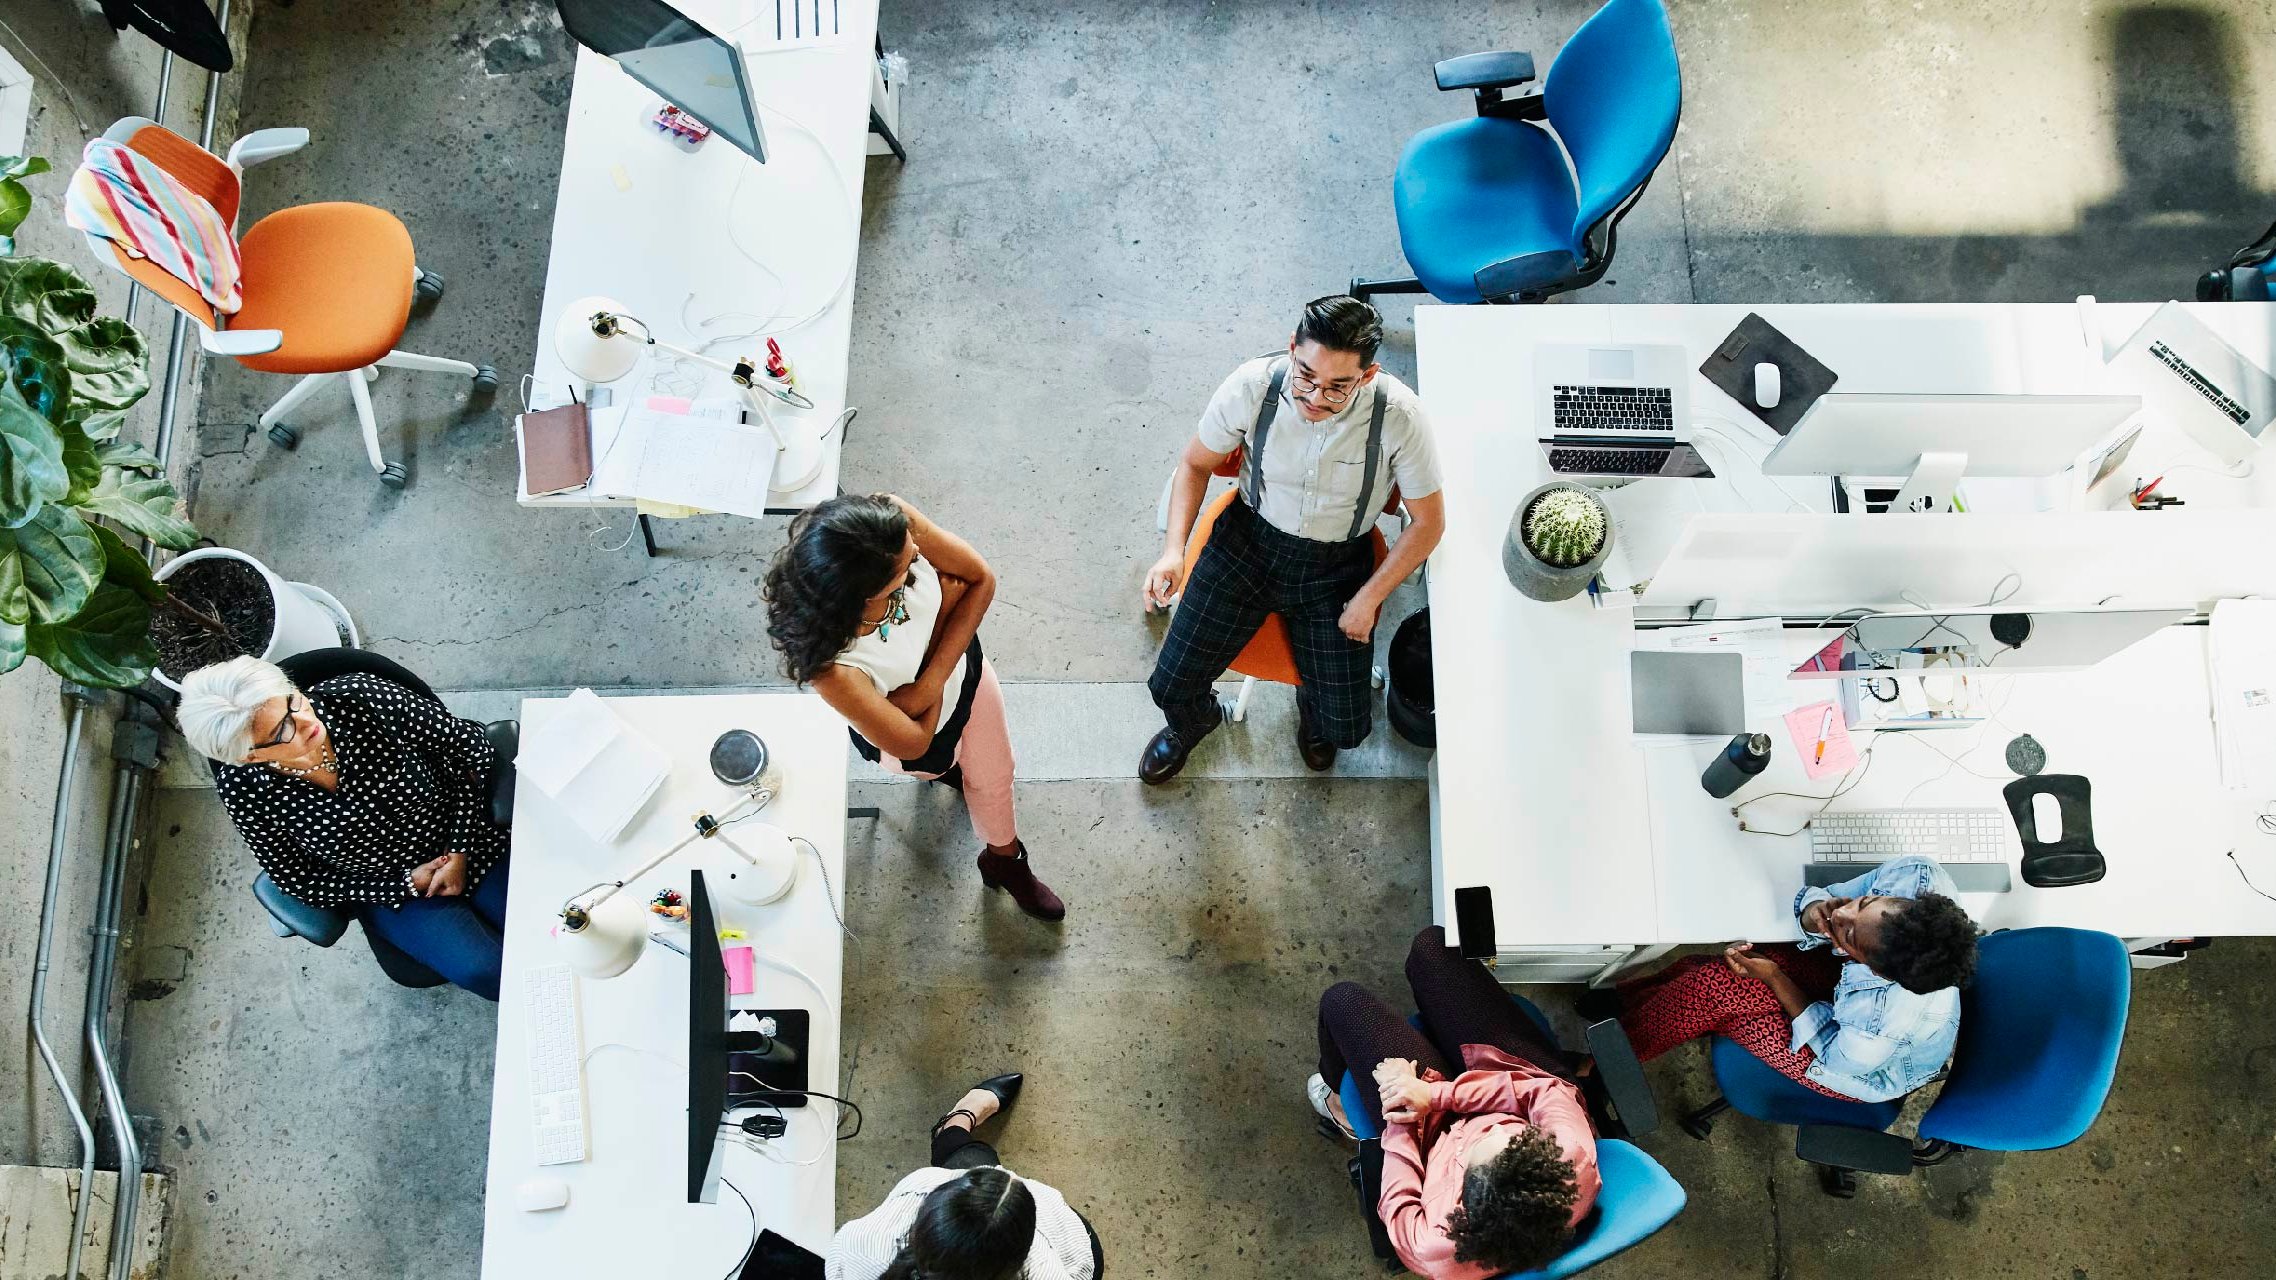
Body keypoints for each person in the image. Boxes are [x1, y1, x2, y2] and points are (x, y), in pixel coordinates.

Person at [1140, 295, 1445, 782]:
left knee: (1344, 728)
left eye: (1337, 387)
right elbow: (1195, 463)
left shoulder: (1400, 417)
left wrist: (1368, 598)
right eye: (1305, 375)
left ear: (1368, 376)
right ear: (1291, 350)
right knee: (1170, 684)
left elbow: (1429, 523)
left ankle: (1313, 705)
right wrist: (1173, 552)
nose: (1314, 398)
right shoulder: (1252, 386)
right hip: (1248, 542)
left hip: (1338, 564)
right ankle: (1195, 721)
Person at [763, 493, 1064, 922]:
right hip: (926, 738)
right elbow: (913, 741)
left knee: (996, 777)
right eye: (906, 572)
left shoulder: (892, 524)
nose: (920, 556)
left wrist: (920, 692)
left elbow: (981, 581)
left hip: (968, 679)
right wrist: (943, 622)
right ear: (860, 596)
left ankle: (1005, 859)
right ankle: (955, 776)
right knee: (946, 767)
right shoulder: (833, 669)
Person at [175, 656, 511, 999]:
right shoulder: (243, 787)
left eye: (292, 700)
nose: (306, 720)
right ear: (250, 756)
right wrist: (404, 885)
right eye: (282, 730)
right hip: (388, 888)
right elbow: (295, 878)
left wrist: (458, 849)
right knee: (488, 971)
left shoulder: (361, 698)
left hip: (465, 834)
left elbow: (471, 747)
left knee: (549, 924)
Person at [1308, 927, 1600, 1279]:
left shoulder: (1429, 1247)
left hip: (1428, 1137)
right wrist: (1434, 1095)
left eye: (1483, 1139)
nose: (1486, 1125)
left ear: (1464, 1191)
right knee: (1433, 948)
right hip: (1511, 1077)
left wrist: (1402, 1106)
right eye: (1514, 1130)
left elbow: (1397, 1199)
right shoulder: (1568, 1155)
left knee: (1343, 1002)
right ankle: (1442, 1034)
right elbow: (1540, 1090)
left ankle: (1340, 1107)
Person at [1610, 855, 1979, 1102]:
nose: (1844, 914)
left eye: (1849, 937)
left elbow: (1835, 1054)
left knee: (1716, 992)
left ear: (1876, 969)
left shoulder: (1877, 1025)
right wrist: (1814, 914)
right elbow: (1832, 900)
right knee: (1717, 976)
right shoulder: (1915, 876)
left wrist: (1774, 977)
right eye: (1864, 903)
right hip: (1851, 995)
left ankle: (1606, 1059)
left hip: (1852, 1064)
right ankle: (1627, 1012)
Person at [826, 1072, 1102, 1280]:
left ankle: (956, 1122)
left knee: (964, 1155)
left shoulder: (862, 1244)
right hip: (1066, 1248)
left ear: (925, 1221)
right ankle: (957, 1124)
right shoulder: (1045, 1268)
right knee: (974, 1158)